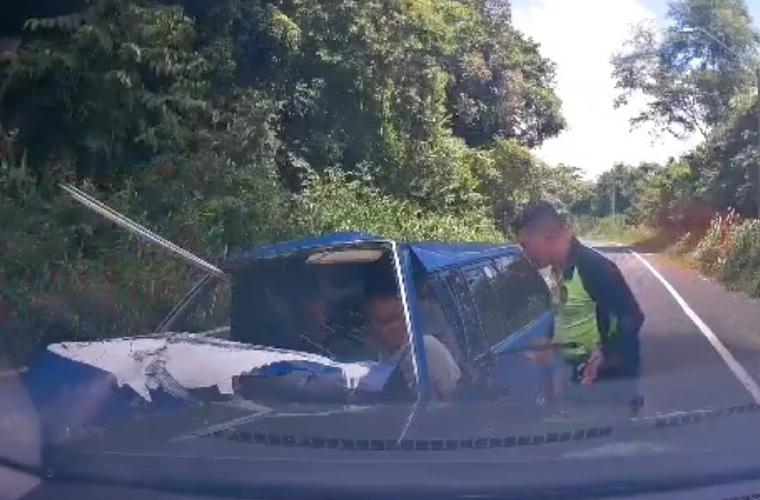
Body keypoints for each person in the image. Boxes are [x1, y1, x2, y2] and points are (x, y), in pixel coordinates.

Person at [515, 202, 645, 414]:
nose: (525, 253)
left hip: (606, 389)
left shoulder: (593, 267)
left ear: (548, 236)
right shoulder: (558, 270)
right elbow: (571, 316)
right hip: (580, 384)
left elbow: (630, 317)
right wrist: (550, 345)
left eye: (526, 244)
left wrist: (603, 355)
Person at [366, 293, 462, 401]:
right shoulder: (378, 359)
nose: (394, 327)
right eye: (385, 322)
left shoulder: (425, 348)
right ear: (371, 326)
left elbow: (451, 397)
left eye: (398, 318)